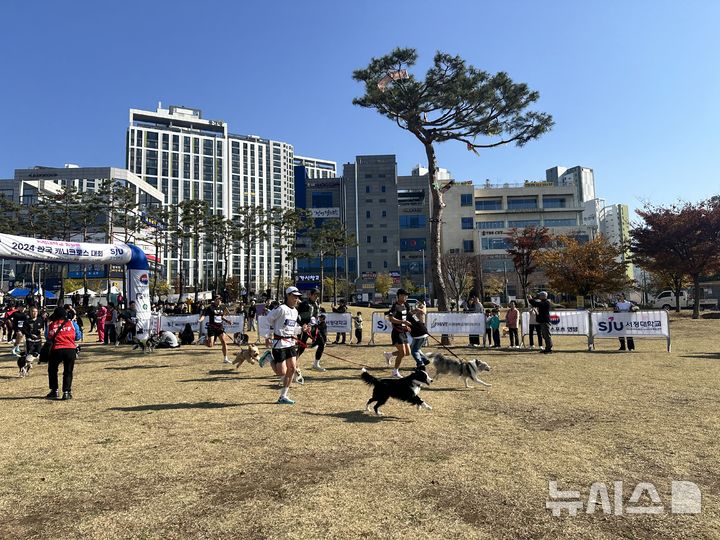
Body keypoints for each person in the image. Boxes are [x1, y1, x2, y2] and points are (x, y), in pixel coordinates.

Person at [260, 286, 306, 405]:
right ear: (288, 296)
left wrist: (302, 329)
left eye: (298, 297)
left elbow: (292, 328)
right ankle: (269, 358)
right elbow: (268, 320)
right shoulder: (281, 309)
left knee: (292, 369)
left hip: (290, 343)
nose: (297, 299)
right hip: (279, 343)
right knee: (282, 372)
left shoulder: (295, 311)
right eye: (294, 296)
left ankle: (283, 396)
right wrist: (267, 336)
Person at [45, 306, 82, 401]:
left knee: (52, 370)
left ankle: (54, 390)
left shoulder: (51, 325)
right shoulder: (71, 323)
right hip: (70, 349)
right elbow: (78, 336)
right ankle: (66, 392)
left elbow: (47, 337)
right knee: (68, 371)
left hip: (56, 349)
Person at [383, 289, 412, 378]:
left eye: (406, 295)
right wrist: (403, 322)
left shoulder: (406, 305)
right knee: (402, 353)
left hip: (403, 332)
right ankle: (395, 371)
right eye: (403, 295)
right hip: (396, 332)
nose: (405, 297)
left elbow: (407, 316)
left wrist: (406, 325)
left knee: (408, 353)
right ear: (399, 296)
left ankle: (389, 355)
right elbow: (391, 319)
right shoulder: (395, 306)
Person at [199, 296, 232, 363]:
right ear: (215, 300)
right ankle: (203, 340)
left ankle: (225, 358)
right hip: (212, 327)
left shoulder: (222, 307)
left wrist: (227, 321)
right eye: (218, 299)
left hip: (220, 327)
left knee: (224, 342)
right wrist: (200, 320)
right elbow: (204, 315)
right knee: (210, 345)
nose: (219, 301)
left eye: (220, 299)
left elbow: (221, 317)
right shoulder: (210, 308)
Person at [297, 288, 320, 367]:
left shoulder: (316, 303)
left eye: (317, 295)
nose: (316, 296)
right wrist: (303, 324)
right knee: (302, 346)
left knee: (322, 342)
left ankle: (316, 364)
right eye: (315, 295)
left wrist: (314, 323)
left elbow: (315, 315)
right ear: (310, 295)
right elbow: (299, 316)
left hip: (313, 326)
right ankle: (293, 361)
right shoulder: (305, 303)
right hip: (305, 327)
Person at [408, 300, 430, 369]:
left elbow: (423, 312)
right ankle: (425, 360)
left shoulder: (408, 315)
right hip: (421, 332)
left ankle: (420, 364)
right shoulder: (412, 314)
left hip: (419, 334)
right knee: (416, 348)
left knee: (414, 350)